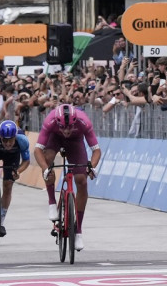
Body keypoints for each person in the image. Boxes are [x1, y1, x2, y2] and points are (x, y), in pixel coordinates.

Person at [34, 104, 101, 251]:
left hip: (76, 142)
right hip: (54, 139)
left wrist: (92, 167)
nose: (66, 131)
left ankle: (78, 231)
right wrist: (46, 169)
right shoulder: (50, 121)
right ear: (57, 122)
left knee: (81, 181)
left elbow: (96, 150)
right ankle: (52, 202)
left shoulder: (84, 122)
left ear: (75, 121)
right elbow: (37, 150)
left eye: (70, 127)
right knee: (48, 158)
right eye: (63, 127)